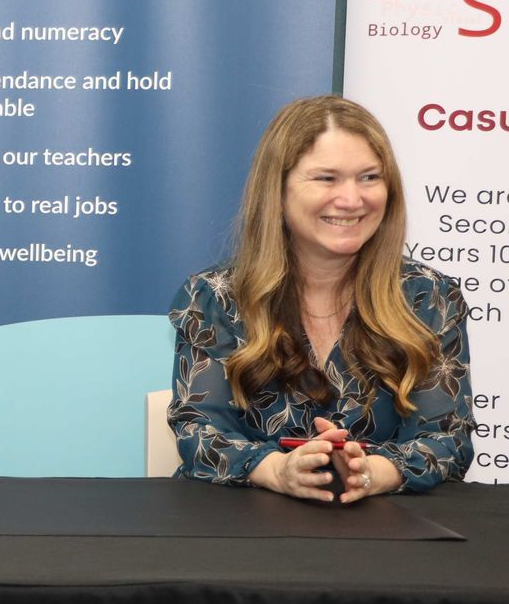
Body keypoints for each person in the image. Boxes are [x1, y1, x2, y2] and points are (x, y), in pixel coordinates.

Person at [170, 95, 474, 501]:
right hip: (242, 535)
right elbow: (199, 432)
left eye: (369, 177)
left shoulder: (430, 297)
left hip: (386, 535)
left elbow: (447, 439)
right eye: (326, 178)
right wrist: (278, 471)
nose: (352, 199)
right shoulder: (215, 298)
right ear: (276, 191)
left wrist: (371, 473)